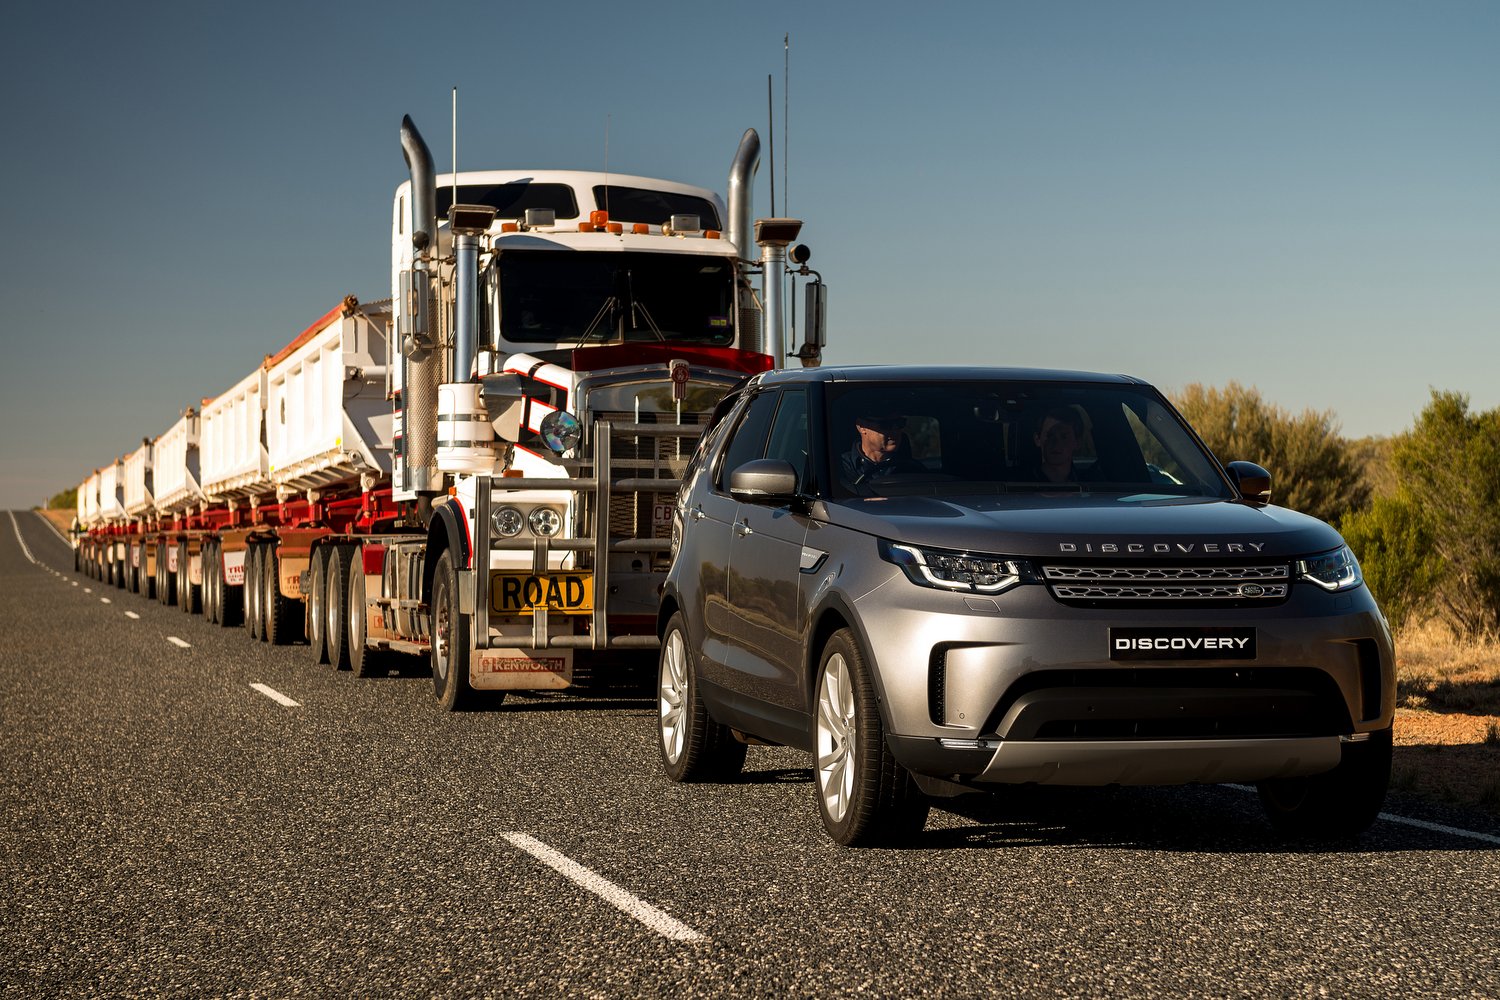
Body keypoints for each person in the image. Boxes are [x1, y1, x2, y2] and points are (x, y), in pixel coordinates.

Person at [839, 408, 924, 492]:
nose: (895, 430)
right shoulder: (840, 469)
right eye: (885, 425)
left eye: (900, 423)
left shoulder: (915, 472)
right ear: (861, 427)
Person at [1023, 405, 1096, 484]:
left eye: (1064, 437)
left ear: (1077, 442)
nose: (1056, 443)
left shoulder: (1093, 486)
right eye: (1050, 435)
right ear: (1037, 439)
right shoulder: (1019, 485)